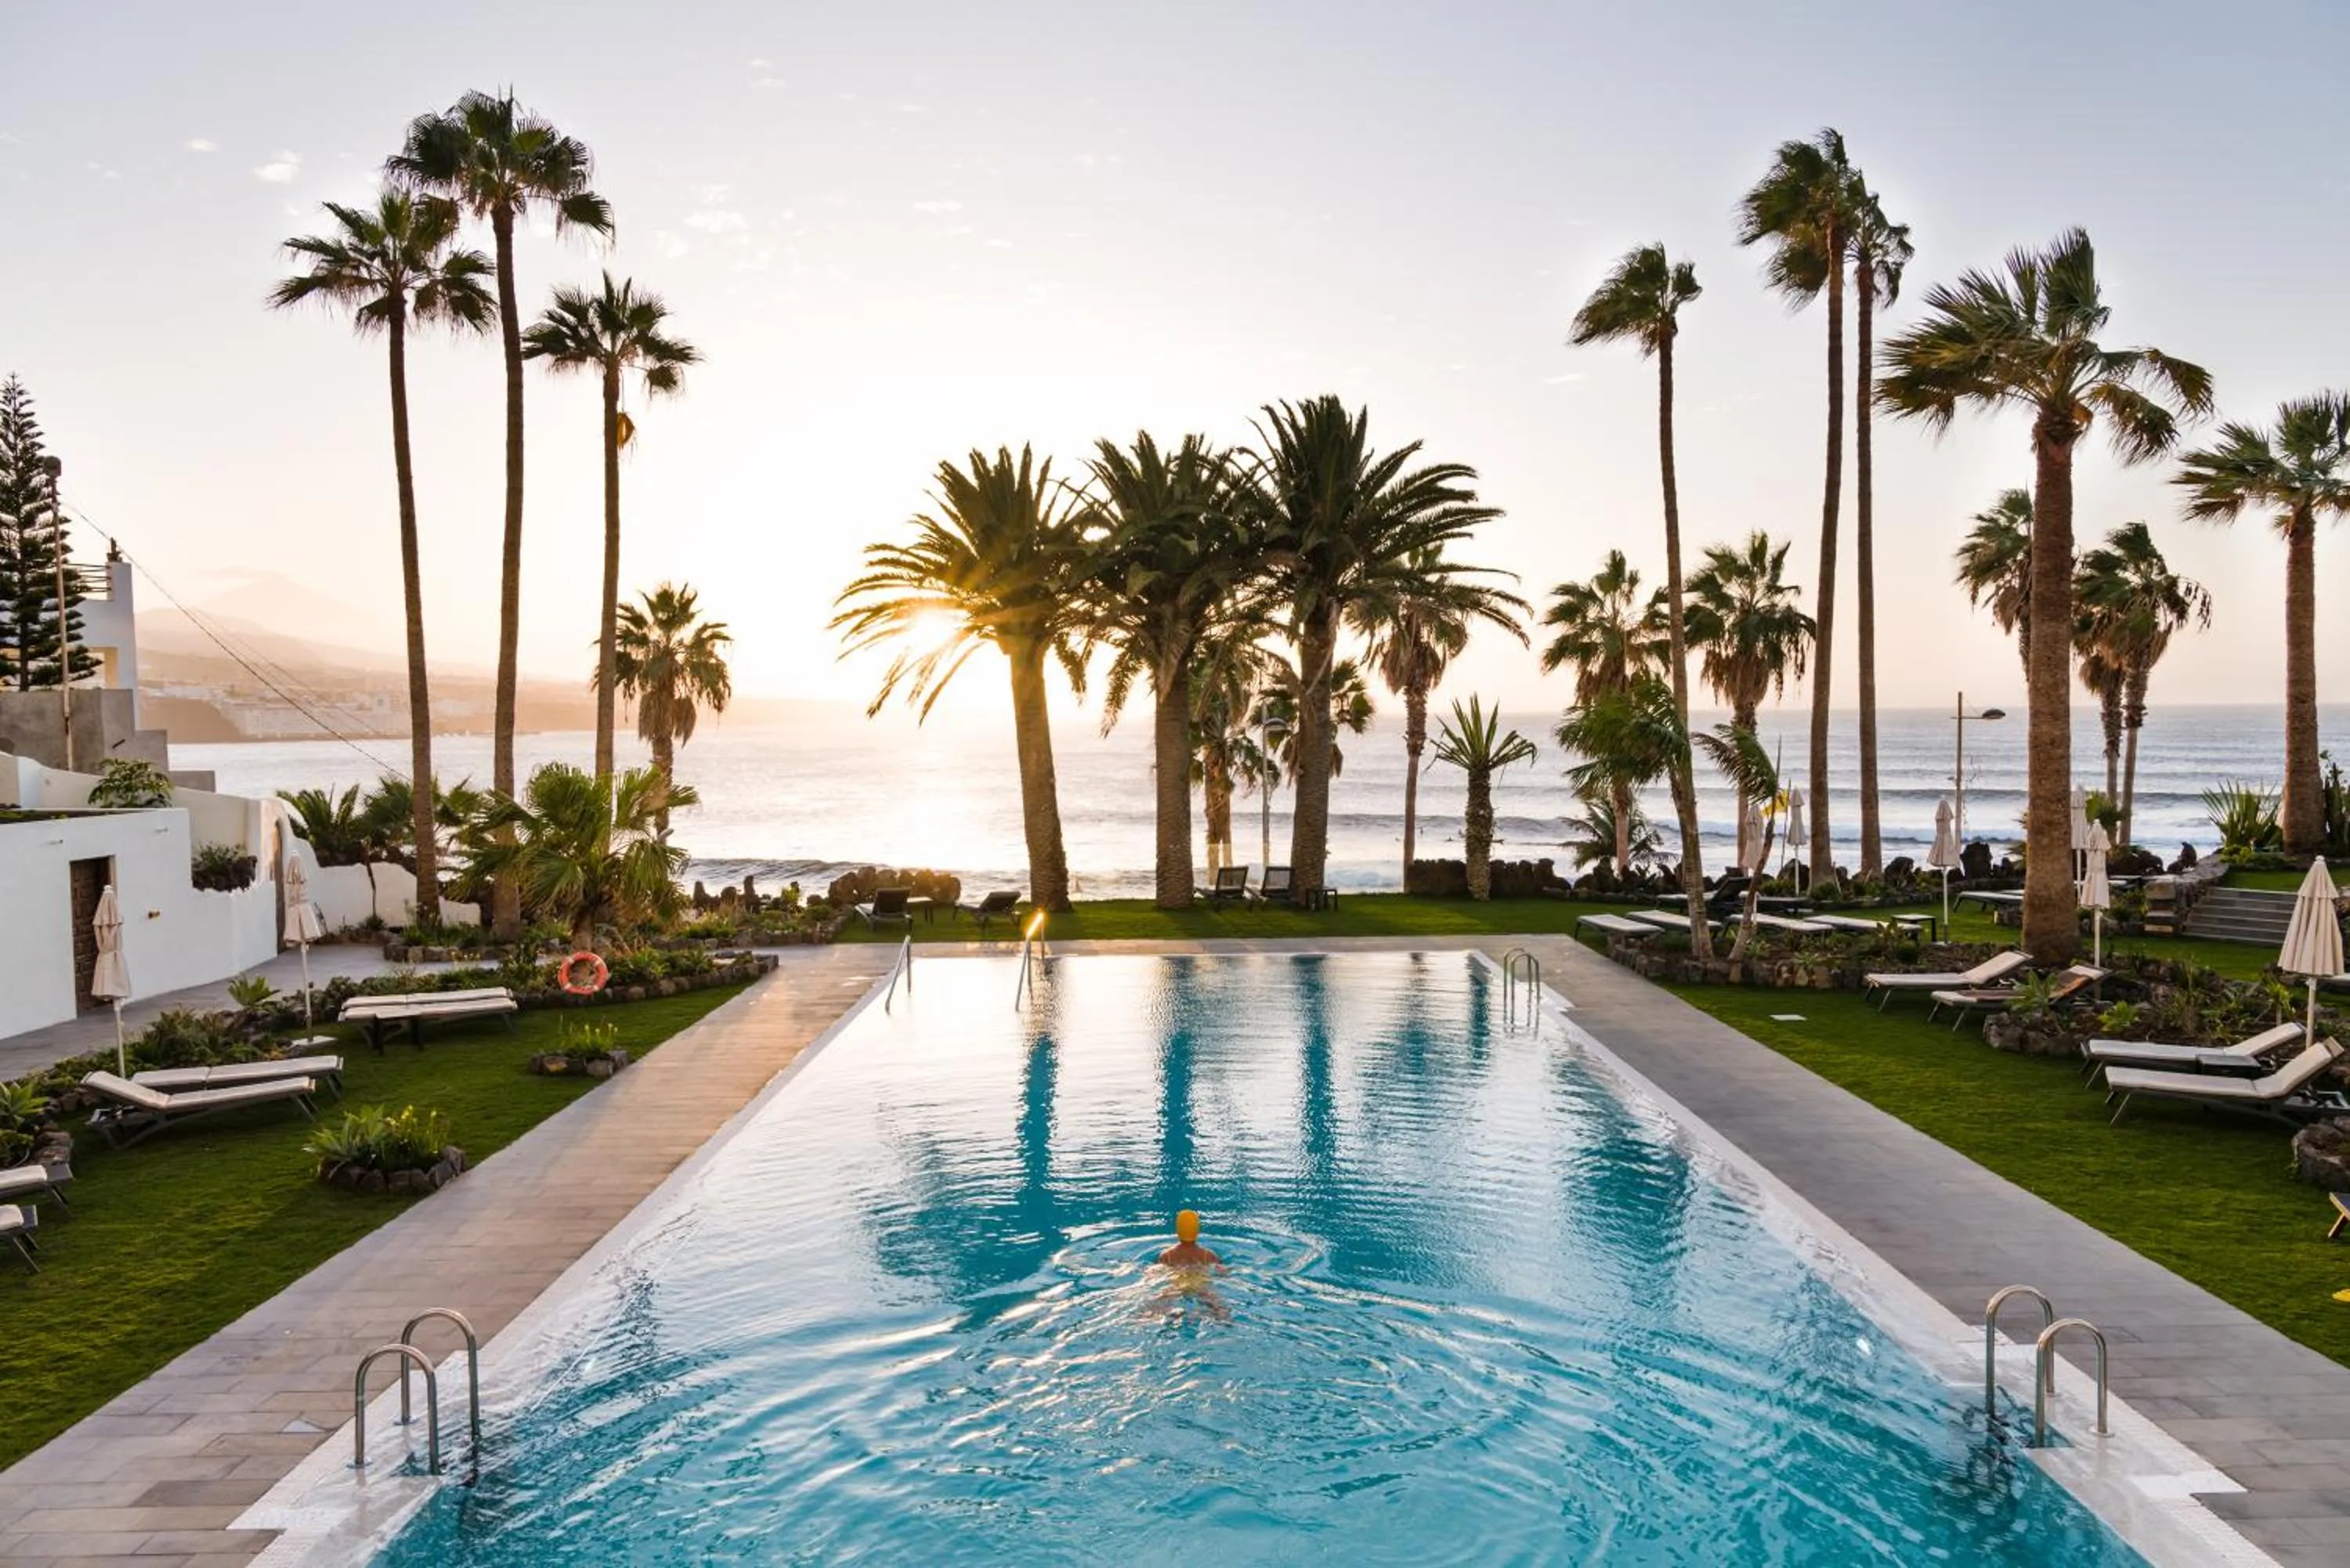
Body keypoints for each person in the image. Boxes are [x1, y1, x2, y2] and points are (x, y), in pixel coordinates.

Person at [1144, 1209, 1230, 1322]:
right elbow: (1223, 1273)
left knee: (1156, 1306)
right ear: (1197, 1230)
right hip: (1200, 1283)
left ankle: (1147, 1319)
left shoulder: (1167, 1255)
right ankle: (1225, 1321)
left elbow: (1153, 1272)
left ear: (1178, 1230)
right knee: (1218, 1307)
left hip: (1177, 1282)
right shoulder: (1209, 1255)